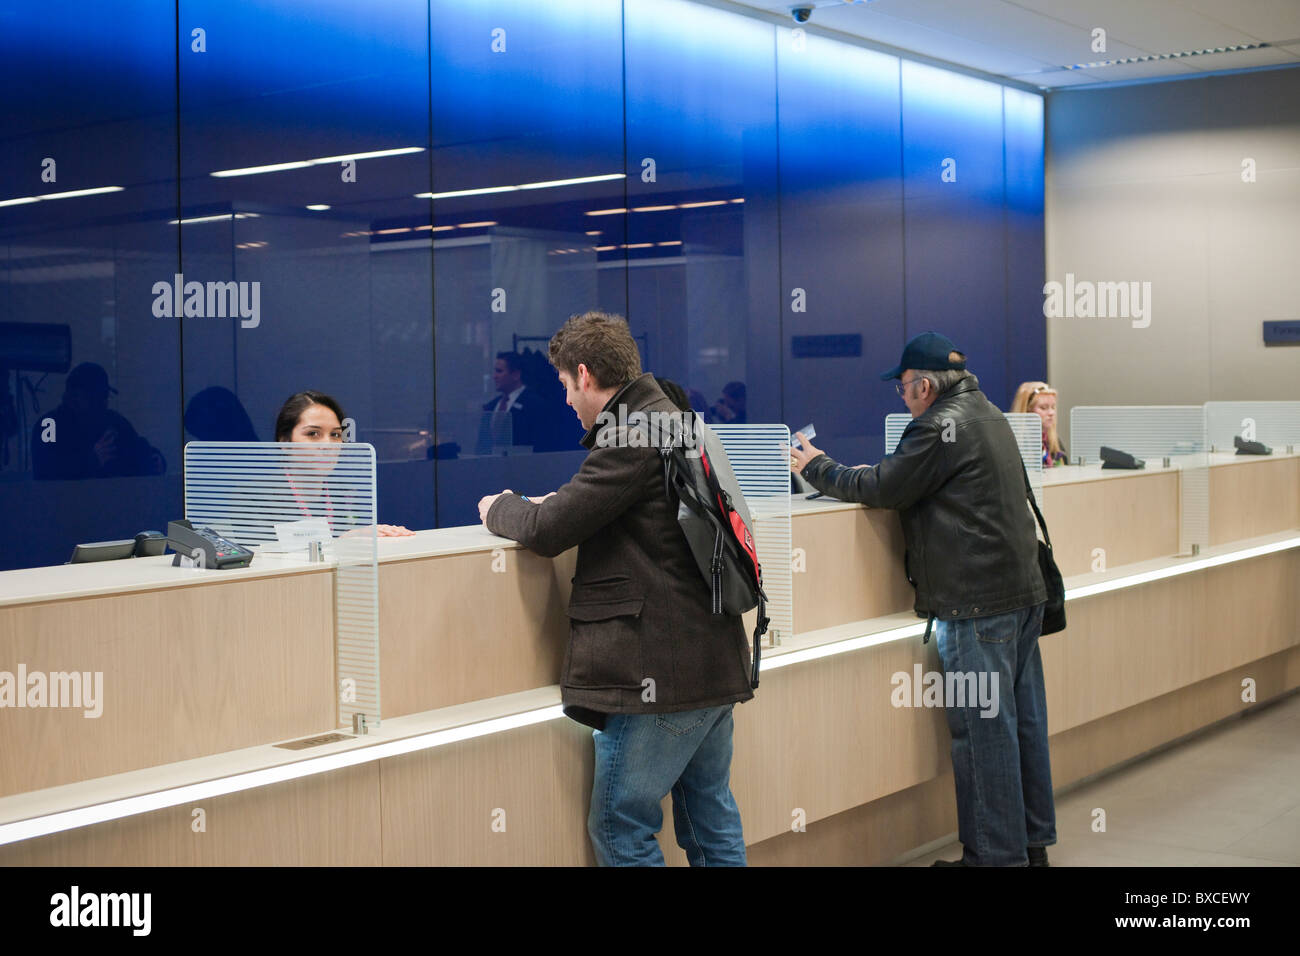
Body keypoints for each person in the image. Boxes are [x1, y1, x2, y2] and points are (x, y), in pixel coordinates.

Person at [477, 311, 753, 866]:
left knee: (619, 826)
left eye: (563, 386)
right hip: (713, 659)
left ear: (583, 374)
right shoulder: (675, 420)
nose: (565, 400)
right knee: (709, 820)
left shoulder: (632, 434)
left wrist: (498, 508)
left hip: (659, 674)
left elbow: (546, 532)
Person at [788, 332, 1054, 867]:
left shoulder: (936, 427)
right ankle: (1029, 848)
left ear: (926, 386)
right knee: (1022, 728)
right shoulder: (989, 414)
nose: (901, 396)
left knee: (984, 739)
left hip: (976, 606)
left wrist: (815, 466)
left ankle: (995, 860)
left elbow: (885, 485)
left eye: (904, 387)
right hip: (1023, 595)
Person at [275, 390, 413, 537]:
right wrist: (344, 540)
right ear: (285, 442)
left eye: (335, 435)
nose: (328, 445)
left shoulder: (343, 495)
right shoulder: (257, 499)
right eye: (313, 434)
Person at [31, 362, 165, 479]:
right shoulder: (50, 425)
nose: (103, 402)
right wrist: (91, 461)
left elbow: (137, 448)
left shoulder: (112, 420)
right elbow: (46, 471)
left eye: (105, 397)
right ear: (74, 397)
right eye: (96, 398)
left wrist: (155, 461)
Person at [1011, 381, 1067, 468]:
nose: (1051, 413)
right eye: (1043, 408)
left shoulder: (1054, 441)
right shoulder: (1016, 443)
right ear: (1027, 410)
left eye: (1053, 407)